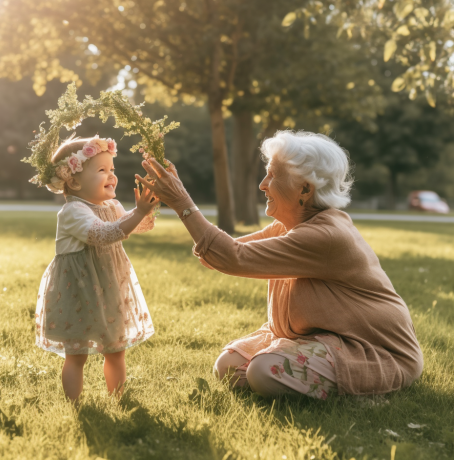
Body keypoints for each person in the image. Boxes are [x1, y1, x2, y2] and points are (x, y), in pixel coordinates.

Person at [136, 130, 423, 399]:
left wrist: (182, 202)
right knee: (226, 366)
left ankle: (361, 390)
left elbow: (230, 256)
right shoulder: (289, 225)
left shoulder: (326, 236)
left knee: (261, 372)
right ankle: (287, 366)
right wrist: (181, 201)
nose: (263, 185)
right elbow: (222, 255)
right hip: (312, 336)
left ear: (305, 189)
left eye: (272, 176)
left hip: (369, 349)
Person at [35, 135, 159, 402]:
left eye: (112, 169)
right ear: (74, 181)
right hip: (78, 291)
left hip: (109, 286)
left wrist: (145, 209)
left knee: (116, 351)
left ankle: (119, 400)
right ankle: (74, 405)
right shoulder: (73, 211)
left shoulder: (111, 205)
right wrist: (136, 214)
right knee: (76, 354)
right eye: (102, 170)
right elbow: (102, 235)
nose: (111, 175)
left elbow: (136, 225)